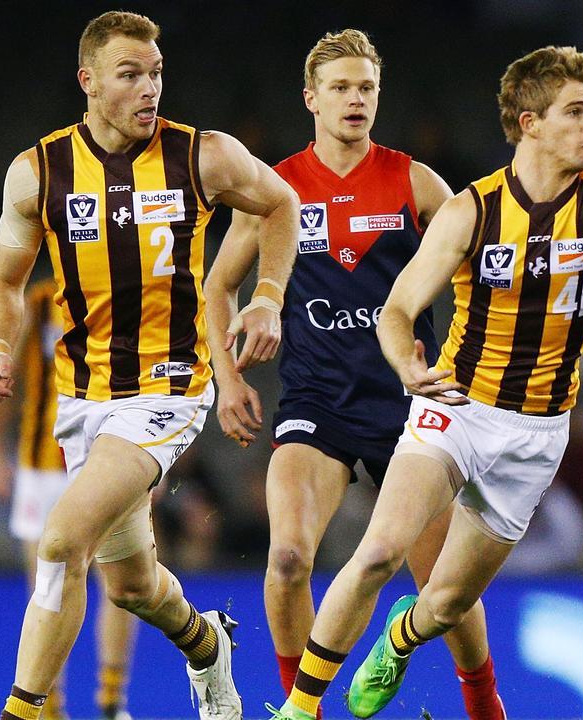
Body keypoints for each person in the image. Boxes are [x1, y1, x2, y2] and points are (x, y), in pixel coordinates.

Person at [266, 44, 583, 720]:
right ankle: (297, 709)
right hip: (457, 410)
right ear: (530, 122)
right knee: (379, 551)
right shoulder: (472, 211)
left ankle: (402, 638)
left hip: (537, 434)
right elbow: (399, 309)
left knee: (445, 602)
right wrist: (406, 362)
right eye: (576, 112)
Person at [0, 11, 299, 720]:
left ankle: (22, 710)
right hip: (83, 399)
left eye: (155, 72)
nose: (149, 87)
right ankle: (206, 643)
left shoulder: (202, 156)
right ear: (88, 82)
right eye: (130, 74)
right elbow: (4, 284)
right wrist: (0, 346)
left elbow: (282, 203)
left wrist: (267, 297)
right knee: (130, 585)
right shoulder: (39, 173)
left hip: (167, 390)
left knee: (61, 541)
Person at [204, 29, 505, 720]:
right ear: (311, 98)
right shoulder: (277, 190)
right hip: (317, 406)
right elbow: (217, 286)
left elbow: (487, 267)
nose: (355, 99)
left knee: (444, 589)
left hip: (409, 406)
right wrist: (229, 380)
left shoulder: (415, 182)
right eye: (340, 87)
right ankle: (298, 709)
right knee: (285, 561)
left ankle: (486, 707)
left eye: (366, 87)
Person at [0, 276, 138, 720]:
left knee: (121, 581)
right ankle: (50, 708)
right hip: (42, 465)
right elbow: (1, 381)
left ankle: (112, 700)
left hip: (108, 459)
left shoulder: (128, 292)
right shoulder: (37, 302)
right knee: (46, 589)